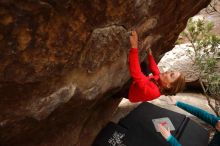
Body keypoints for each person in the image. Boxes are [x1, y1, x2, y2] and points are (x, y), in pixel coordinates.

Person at [127, 30, 185, 102]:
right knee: (144, 65)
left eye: (171, 75)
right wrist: (150, 55)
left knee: (129, 76)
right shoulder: (161, 82)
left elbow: (137, 74)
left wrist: (134, 47)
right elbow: (155, 70)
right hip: (139, 85)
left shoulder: (154, 92)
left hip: (130, 92)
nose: (168, 72)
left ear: (169, 85)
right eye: (171, 71)